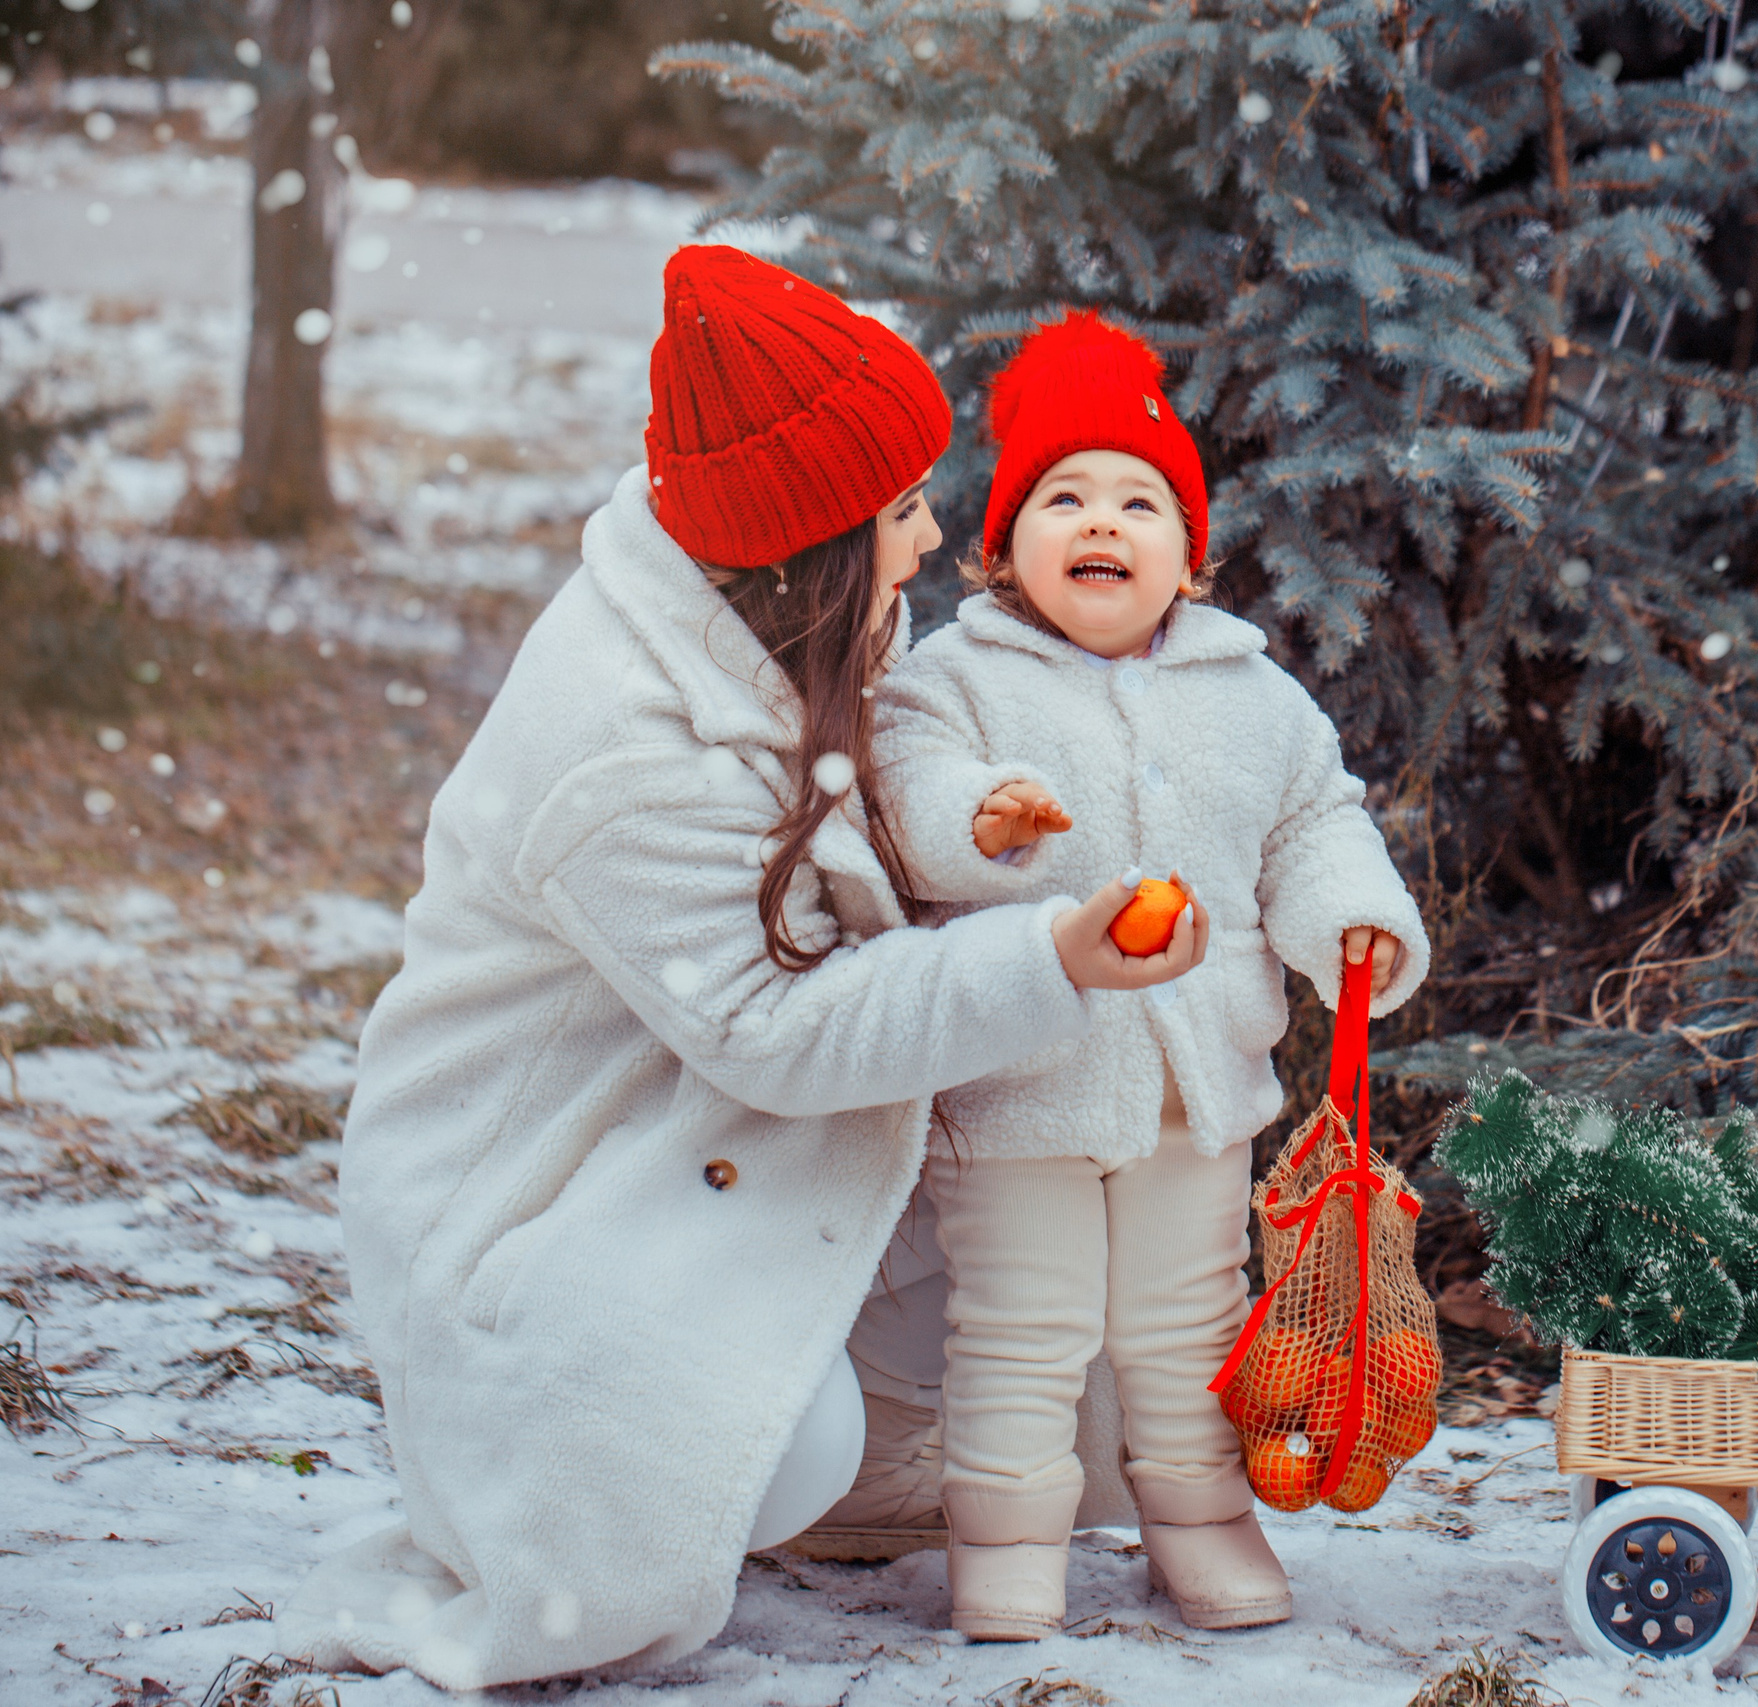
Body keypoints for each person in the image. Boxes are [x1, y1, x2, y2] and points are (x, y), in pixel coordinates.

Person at [275, 248, 1201, 1690]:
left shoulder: (775, 606)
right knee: (770, 1449)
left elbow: (878, 812)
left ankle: (830, 1445)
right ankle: (692, 1467)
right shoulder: (628, 756)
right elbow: (777, 1031)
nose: (933, 531)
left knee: (1045, 1369)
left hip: (681, 1132)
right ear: (816, 542)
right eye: (903, 509)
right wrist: (1051, 956)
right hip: (539, 1203)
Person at [871, 313, 1429, 1641]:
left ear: (1194, 554)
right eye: (1062, 498)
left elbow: (1314, 818)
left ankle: (1199, 1518)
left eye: (1138, 500)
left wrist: (1350, 917)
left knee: (1189, 1327)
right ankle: (1003, 1541)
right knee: (1022, 1328)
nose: (1100, 522)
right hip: (1021, 1082)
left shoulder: (1254, 694)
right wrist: (983, 817)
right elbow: (913, 788)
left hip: (1200, 1083)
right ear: (1002, 550)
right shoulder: (955, 679)